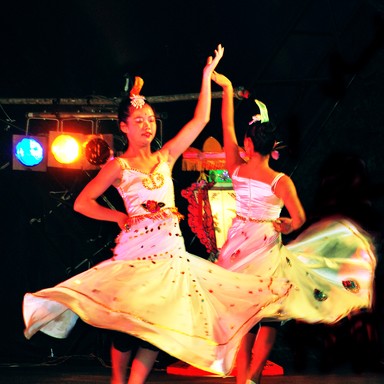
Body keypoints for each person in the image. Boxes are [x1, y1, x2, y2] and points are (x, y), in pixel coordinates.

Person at [22, 44, 295, 383]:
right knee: (128, 327)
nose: (146, 126)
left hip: (170, 255)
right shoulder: (118, 166)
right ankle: (120, 381)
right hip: (136, 254)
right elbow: (82, 203)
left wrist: (207, 77)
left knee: (162, 325)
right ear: (124, 128)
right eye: (138, 121)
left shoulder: (166, 156)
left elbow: (201, 120)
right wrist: (119, 218)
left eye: (150, 120)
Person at [212, 70, 377, 384]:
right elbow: (298, 219)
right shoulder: (280, 181)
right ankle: (253, 377)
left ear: (247, 143)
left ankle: (241, 377)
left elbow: (227, 126)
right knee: (270, 317)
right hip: (264, 246)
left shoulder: (235, 168)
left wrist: (227, 89)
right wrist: (286, 226)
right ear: (273, 146)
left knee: (247, 316)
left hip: (237, 248)